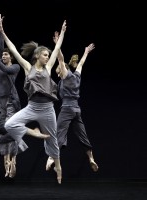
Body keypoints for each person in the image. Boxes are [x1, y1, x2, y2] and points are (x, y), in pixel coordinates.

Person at [0, 14, 67, 184]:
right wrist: (1, 30)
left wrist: (62, 33)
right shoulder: (27, 67)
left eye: (48, 55)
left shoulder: (49, 67)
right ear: (38, 56)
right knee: (10, 124)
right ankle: (32, 132)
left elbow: (57, 49)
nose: (48, 57)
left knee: (53, 138)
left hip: (47, 109)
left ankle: (58, 165)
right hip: (32, 107)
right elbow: (11, 47)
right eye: (45, 55)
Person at [0, 35, 48, 178]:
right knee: (3, 131)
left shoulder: (15, 67)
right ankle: (6, 160)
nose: (3, 56)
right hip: (0, 104)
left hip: (11, 102)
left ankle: (14, 159)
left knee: (12, 128)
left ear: (10, 57)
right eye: (2, 55)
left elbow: (3, 67)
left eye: (5, 55)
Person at [46, 31, 98, 172]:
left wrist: (57, 44)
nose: (58, 74)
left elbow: (61, 59)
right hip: (77, 110)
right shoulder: (77, 76)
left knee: (58, 132)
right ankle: (91, 158)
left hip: (67, 109)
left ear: (64, 71)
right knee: (83, 135)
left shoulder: (66, 76)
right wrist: (86, 52)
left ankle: (51, 157)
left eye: (59, 72)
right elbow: (81, 63)